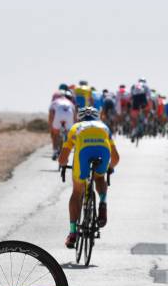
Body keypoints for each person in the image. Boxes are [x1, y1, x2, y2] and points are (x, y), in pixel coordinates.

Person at [58, 106, 120, 248]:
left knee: (77, 192)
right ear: (97, 117)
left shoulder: (76, 128)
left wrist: (63, 165)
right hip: (103, 153)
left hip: (83, 155)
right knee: (99, 177)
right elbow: (116, 158)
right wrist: (109, 168)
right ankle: (103, 203)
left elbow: (62, 158)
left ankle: (73, 233)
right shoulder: (104, 127)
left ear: (79, 117)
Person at [48, 92, 76, 159]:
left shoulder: (54, 102)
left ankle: (55, 151)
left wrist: (51, 126)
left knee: (55, 134)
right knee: (68, 134)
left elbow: (51, 115)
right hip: (69, 116)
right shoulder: (70, 103)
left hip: (59, 116)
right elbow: (74, 116)